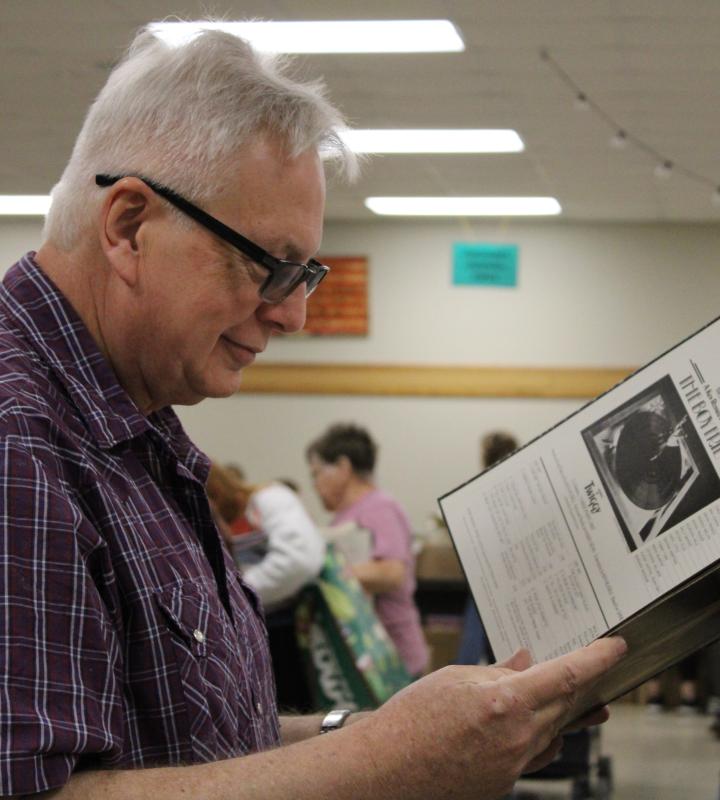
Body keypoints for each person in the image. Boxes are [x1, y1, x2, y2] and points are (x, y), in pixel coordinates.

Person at [0, 22, 627, 800]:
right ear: (129, 227)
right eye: (268, 266)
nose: (292, 315)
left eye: (305, 274)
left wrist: (396, 735)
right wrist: (386, 762)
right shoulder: (18, 440)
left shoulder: (133, 421)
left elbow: (196, 742)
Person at [306, 423, 430, 677]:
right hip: (372, 660)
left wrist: (327, 573)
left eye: (317, 473)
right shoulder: (345, 516)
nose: (315, 485)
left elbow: (392, 572)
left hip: (394, 661)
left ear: (343, 467)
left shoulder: (379, 507)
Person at [206, 462, 325, 711]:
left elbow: (299, 561)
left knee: (300, 707)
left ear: (216, 491)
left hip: (292, 629)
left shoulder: (270, 499)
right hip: (261, 628)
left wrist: (234, 592)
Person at [457, 432, 519, 666]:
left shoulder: (478, 495)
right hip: (513, 581)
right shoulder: (521, 490)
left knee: (473, 646)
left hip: (486, 581)